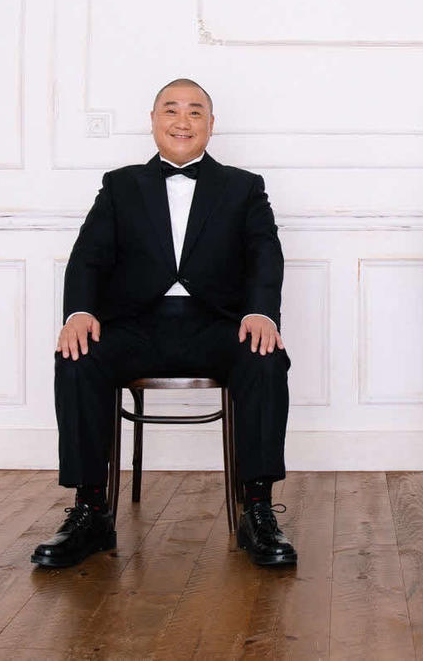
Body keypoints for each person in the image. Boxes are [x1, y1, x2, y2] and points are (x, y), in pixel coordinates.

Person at [33, 78, 296, 569]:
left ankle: (257, 509)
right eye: (170, 110)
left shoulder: (243, 186)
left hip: (215, 325)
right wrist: (79, 312)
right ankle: (90, 511)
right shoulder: (120, 185)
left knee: (265, 356)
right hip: (136, 325)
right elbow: (88, 256)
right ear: (153, 122)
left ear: (211, 125)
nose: (182, 121)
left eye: (195, 112)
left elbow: (265, 253)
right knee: (77, 356)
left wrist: (261, 312)